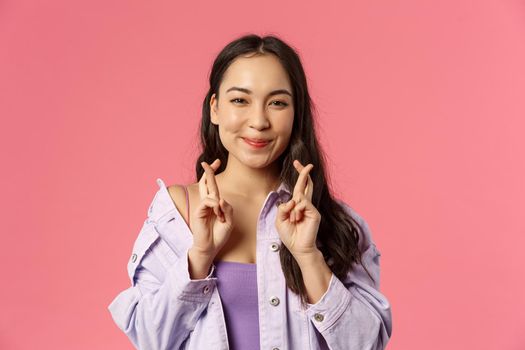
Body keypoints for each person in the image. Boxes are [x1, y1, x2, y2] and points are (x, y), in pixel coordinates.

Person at [108, 33, 392, 350]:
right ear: (214, 108)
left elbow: (367, 344)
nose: (258, 121)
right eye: (240, 100)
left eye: (277, 103)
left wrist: (308, 257)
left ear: (297, 113)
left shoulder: (328, 221)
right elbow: (149, 338)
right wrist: (200, 256)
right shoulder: (178, 212)